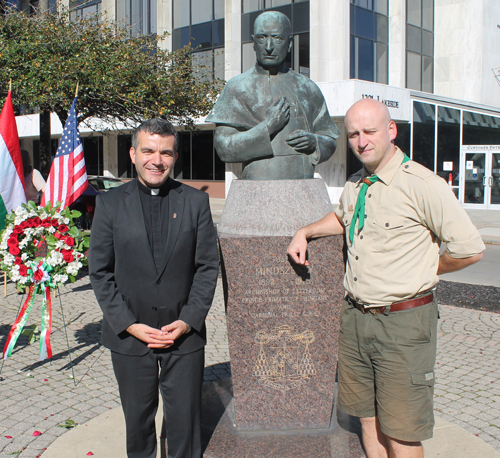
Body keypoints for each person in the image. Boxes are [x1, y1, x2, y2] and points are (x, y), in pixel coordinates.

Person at [287, 99, 485, 458]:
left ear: (391, 131)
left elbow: (470, 249)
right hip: (356, 319)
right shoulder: (357, 183)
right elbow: (344, 217)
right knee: (366, 417)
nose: (362, 141)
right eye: (354, 134)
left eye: (370, 131)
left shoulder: (423, 184)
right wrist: (305, 231)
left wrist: (430, 268)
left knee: (401, 431)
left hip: (403, 324)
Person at [89, 119, 219, 458]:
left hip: (183, 334)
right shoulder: (109, 204)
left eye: (165, 152)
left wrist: (189, 319)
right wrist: (129, 324)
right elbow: (100, 273)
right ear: (133, 154)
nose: (156, 160)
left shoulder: (195, 202)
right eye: (148, 150)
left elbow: (208, 268)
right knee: (138, 423)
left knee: (184, 425)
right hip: (131, 335)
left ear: (175, 156)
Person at [206, 11, 340, 180]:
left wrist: (315, 142)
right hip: (257, 191)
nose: (269, 46)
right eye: (262, 38)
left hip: (304, 189)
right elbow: (224, 148)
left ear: (290, 43)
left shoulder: (308, 87)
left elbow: (330, 139)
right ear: (254, 43)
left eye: (277, 38)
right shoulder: (237, 87)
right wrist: (268, 127)